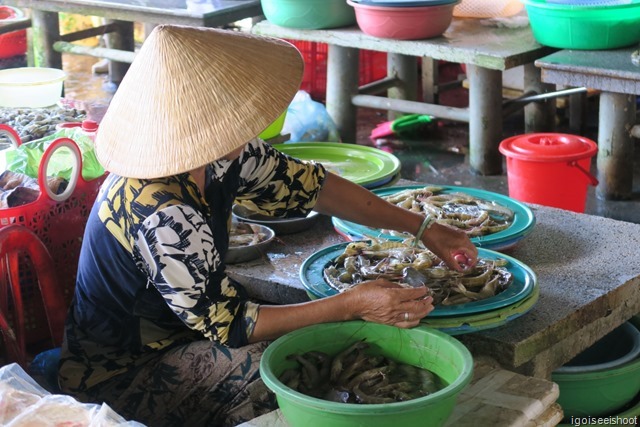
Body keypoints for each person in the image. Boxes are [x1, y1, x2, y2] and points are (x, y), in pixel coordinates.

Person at [58, 24, 478, 427]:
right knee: (283, 373)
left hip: (182, 330)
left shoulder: (220, 154)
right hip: (122, 374)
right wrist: (351, 303)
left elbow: (310, 186)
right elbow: (230, 324)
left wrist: (422, 228)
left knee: (315, 326)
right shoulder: (161, 212)